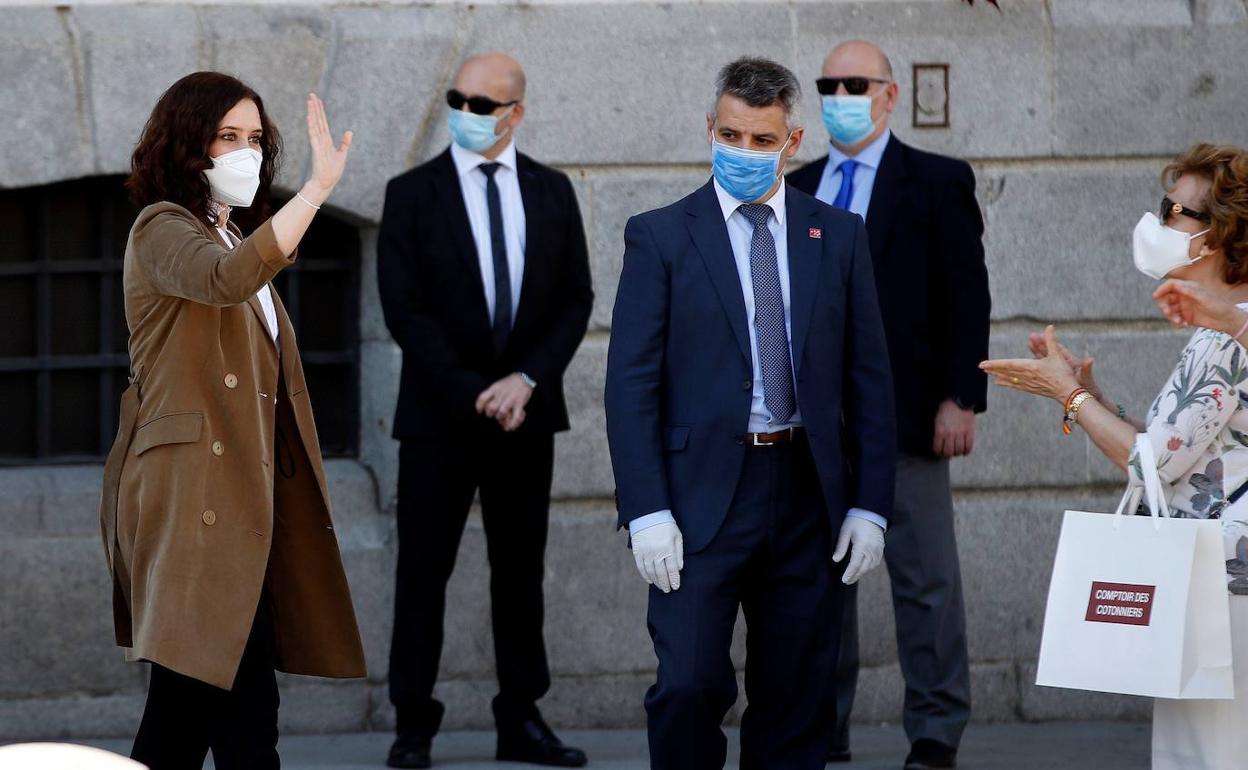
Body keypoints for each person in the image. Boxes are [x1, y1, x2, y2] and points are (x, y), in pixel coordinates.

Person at [605, 56, 896, 770]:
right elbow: (629, 384)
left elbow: (870, 381)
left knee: (797, 696)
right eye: (731, 135)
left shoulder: (839, 236)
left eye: (762, 141)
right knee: (687, 685)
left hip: (806, 493)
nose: (744, 151)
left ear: (791, 142)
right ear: (710, 129)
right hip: (699, 496)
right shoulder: (661, 236)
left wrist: (871, 505)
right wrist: (646, 509)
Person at [100, 72, 367, 769]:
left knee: (244, 719)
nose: (246, 151)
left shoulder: (229, 235)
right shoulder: (162, 227)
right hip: (194, 503)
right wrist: (315, 192)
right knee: (185, 715)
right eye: (228, 136)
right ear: (188, 145)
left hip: (244, 506)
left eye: (254, 138)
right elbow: (225, 282)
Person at [982, 143, 1248, 770]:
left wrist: (1068, 395)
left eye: (1174, 211)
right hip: (1216, 575)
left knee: (1208, 755)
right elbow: (1174, 450)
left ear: (1216, 237)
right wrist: (1093, 397)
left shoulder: (1227, 337)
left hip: (1226, 583)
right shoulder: (1223, 329)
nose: (1158, 222)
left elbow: (1150, 464)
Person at [377, 53, 593, 769]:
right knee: (422, 573)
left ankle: (521, 717)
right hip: (441, 418)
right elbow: (403, 308)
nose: (467, 112)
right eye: (458, 99)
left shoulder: (553, 192)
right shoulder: (411, 194)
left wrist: (525, 380)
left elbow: (575, 301)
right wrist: (475, 388)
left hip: (525, 417)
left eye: (484, 103)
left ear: (516, 114)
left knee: (519, 570)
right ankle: (413, 722)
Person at [786, 39, 990, 770]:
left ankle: (935, 730)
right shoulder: (796, 184)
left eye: (856, 84)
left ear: (889, 95)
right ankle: (821, 725)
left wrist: (961, 397)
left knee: (925, 580)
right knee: (816, 584)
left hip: (906, 419)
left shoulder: (935, 181)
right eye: (829, 85)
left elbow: (966, 295)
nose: (841, 96)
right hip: (812, 428)